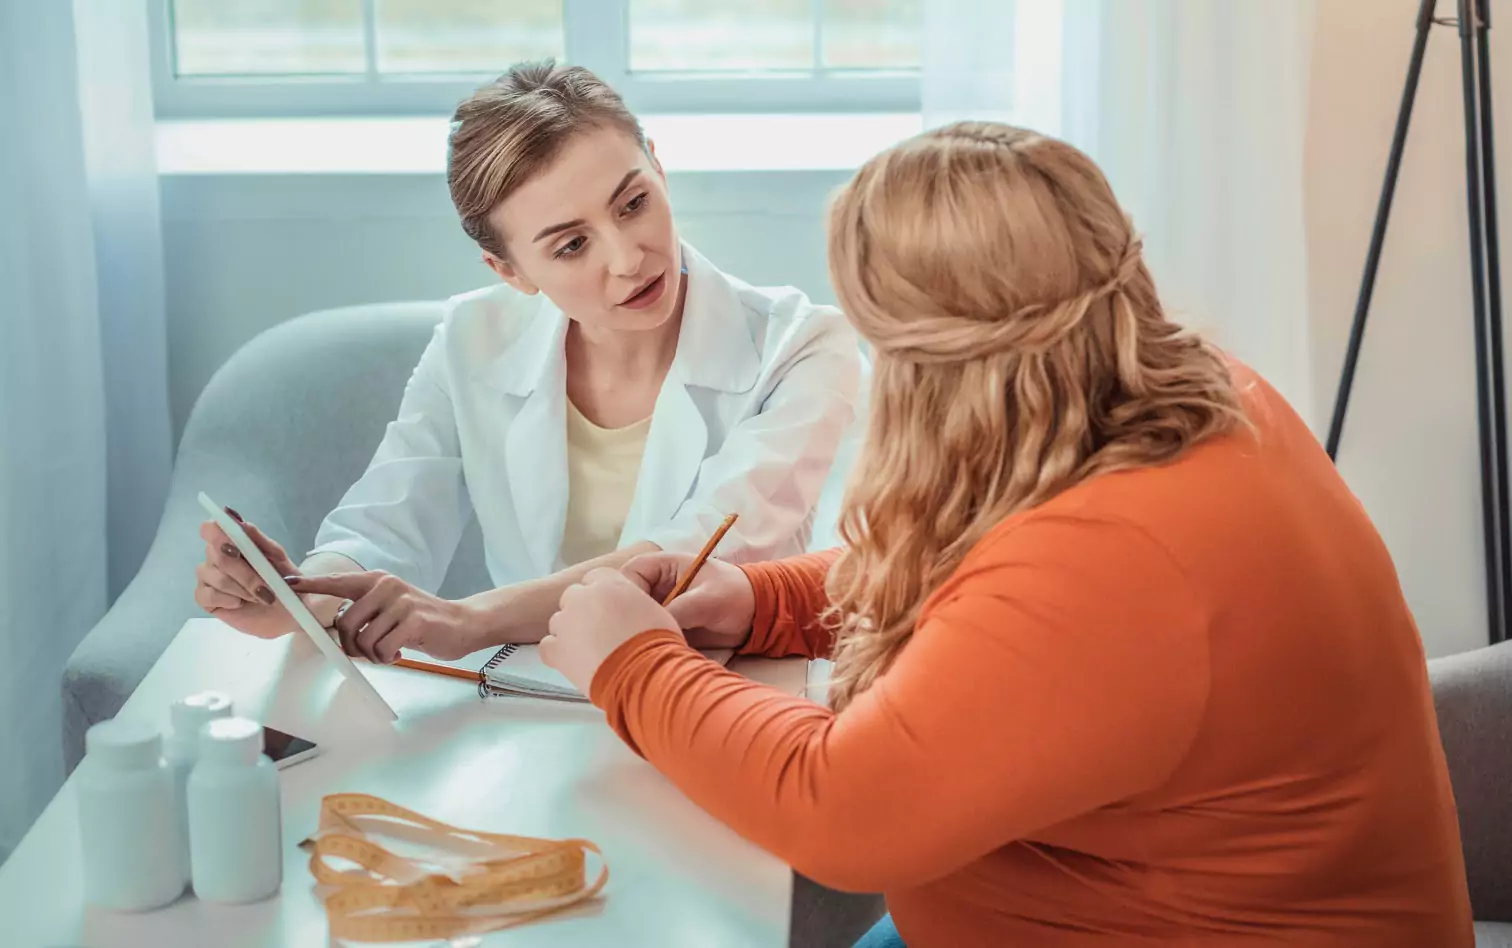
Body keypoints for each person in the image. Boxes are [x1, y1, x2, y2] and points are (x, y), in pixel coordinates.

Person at [538, 122, 1475, 947]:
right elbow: (981, 578)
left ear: (939, 364)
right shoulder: (1196, 393)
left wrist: (635, 666)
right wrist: (762, 601)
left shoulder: (1118, 562)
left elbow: (842, 812)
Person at [191, 61, 860, 664]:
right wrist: (305, 596)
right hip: (524, 699)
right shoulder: (471, 339)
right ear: (510, 271)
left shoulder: (802, 348)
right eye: (572, 245)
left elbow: (686, 563)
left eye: (634, 203)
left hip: (723, 698)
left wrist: (468, 620)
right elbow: (386, 523)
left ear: (658, 166)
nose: (629, 257)